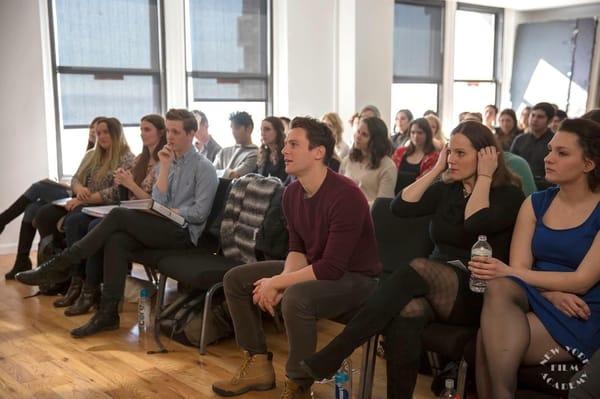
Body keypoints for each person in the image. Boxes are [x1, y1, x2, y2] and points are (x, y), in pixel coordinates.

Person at [301, 121, 525, 398]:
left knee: (418, 267)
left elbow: (475, 222)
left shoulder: (509, 194)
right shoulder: (449, 190)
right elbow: (400, 206)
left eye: (460, 154)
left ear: (486, 156)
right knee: (407, 311)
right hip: (434, 283)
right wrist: (436, 169)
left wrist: (485, 178)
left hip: (478, 290)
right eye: (449, 152)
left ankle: (339, 349)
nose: (452, 159)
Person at [211, 117, 381, 399]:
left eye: (293, 144)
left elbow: (331, 266)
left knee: (296, 297)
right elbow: (297, 249)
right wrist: (279, 280)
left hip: (356, 278)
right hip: (318, 267)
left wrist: (280, 284)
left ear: (318, 152)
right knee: (236, 279)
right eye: (286, 143)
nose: (284, 150)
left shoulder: (347, 195)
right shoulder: (291, 192)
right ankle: (257, 365)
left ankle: (298, 382)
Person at [16, 109, 219, 338]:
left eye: (176, 132)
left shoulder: (204, 168)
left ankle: (60, 264)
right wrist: (164, 167)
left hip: (184, 233)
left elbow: (200, 213)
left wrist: (172, 210)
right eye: (168, 130)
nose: (170, 137)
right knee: (116, 240)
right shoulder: (169, 161)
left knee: (118, 215)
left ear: (192, 133)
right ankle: (108, 314)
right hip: (162, 225)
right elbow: (158, 200)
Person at [469, 118, 600, 399]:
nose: (548, 158)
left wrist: (508, 272)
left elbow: (582, 281)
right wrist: (551, 293)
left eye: (561, 153)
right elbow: (518, 269)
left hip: (581, 310)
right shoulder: (535, 203)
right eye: (550, 150)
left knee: (486, 337)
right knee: (498, 286)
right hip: (539, 297)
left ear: (588, 164)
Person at [63, 114, 167, 316]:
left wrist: (128, 185)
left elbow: (154, 202)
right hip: (129, 212)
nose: (142, 134)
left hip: (145, 217)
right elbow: (124, 196)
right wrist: (83, 190)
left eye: (147, 129)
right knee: (74, 219)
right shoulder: (140, 159)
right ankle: (85, 288)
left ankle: (88, 290)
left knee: (94, 227)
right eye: (141, 129)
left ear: (159, 132)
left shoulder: (161, 163)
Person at [34, 117, 135, 307]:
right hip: (85, 202)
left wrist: (82, 199)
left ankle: (80, 282)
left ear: (116, 133)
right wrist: (79, 189)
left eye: (106, 132)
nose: (102, 136)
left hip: (107, 206)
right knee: (44, 214)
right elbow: (75, 178)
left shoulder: (127, 158)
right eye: (99, 133)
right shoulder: (92, 155)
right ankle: (63, 279)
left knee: (74, 221)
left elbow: (115, 193)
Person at [0, 117, 104, 279]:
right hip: (75, 191)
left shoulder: (105, 154)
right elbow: (79, 177)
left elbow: (91, 183)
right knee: (32, 207)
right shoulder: (91, 151)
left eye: (96, 131)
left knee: (39, 186)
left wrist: (72, 187)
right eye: (91, 131)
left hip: (81, 196)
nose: (93, 134)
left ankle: (3, 219)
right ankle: (21, 260)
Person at [340, 117, 397, 206]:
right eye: (358, 132)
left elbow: (381, 206)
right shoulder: (348, 160)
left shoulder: (388, 166)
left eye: (364, 135)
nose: (358, 137)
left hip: (369, 216)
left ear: (376, 141)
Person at [510, 102, 556, 189]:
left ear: (549, 121)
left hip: (546, 188)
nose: (534, 119)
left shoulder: (555, 141)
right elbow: (511, 164)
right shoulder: (520, 139)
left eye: (540, 117)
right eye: (533, 115)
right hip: (519, 185)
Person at [392, 118, 440, 184]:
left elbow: (425, 182)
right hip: (395, 192)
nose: (416, 136)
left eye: (420, 133)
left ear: (427, 134)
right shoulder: (399, 152)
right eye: (413, 132)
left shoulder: (433, 157)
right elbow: (391, 175)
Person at [213, 111, 258, 179]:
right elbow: (210, 173)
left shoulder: (255, 154)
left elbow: (236, 176)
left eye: (237, 128)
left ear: (249, 128)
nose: (233, 132)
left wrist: (221, 173)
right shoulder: (223, 151)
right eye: (232, 128)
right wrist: (229, 173)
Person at [257, 116, 287, 181]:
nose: (262, 133)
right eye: (261, 130)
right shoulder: (264, 154)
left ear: (278, 131)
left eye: (267, 129)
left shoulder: (285, 154)